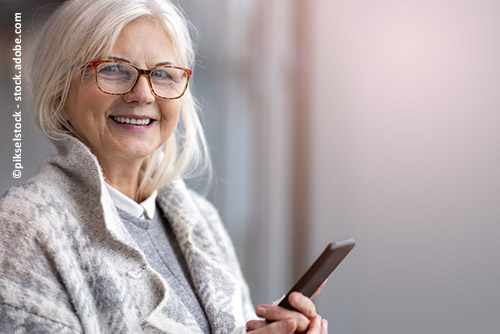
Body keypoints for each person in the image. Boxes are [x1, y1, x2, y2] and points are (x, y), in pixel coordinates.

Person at [0, 0, 328, 333]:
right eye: (113, 69)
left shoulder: (201, 221)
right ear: (60, 89)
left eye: (162, 74)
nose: (143, 94)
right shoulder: (24, 225)